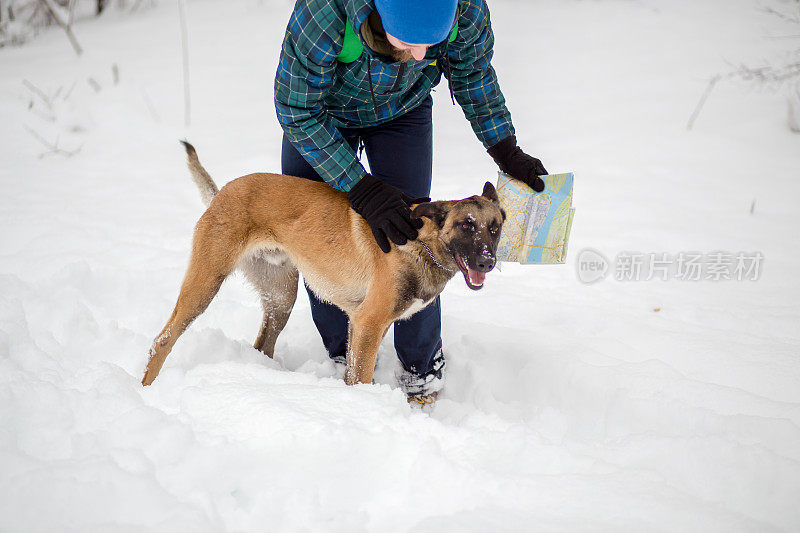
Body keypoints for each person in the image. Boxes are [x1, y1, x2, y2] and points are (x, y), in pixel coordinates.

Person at [275, 0, 547, 401]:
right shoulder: (324, 13)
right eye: (408, 41)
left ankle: (422, 370)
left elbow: (473, 74)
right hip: (321, 118)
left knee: (418, 242)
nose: (421, 55)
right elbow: (297, 108)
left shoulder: (466, 9)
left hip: (402, 111)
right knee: (321, 239)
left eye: (431, 43)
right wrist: (360, 186)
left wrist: (506, 149)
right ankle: (341, 358)